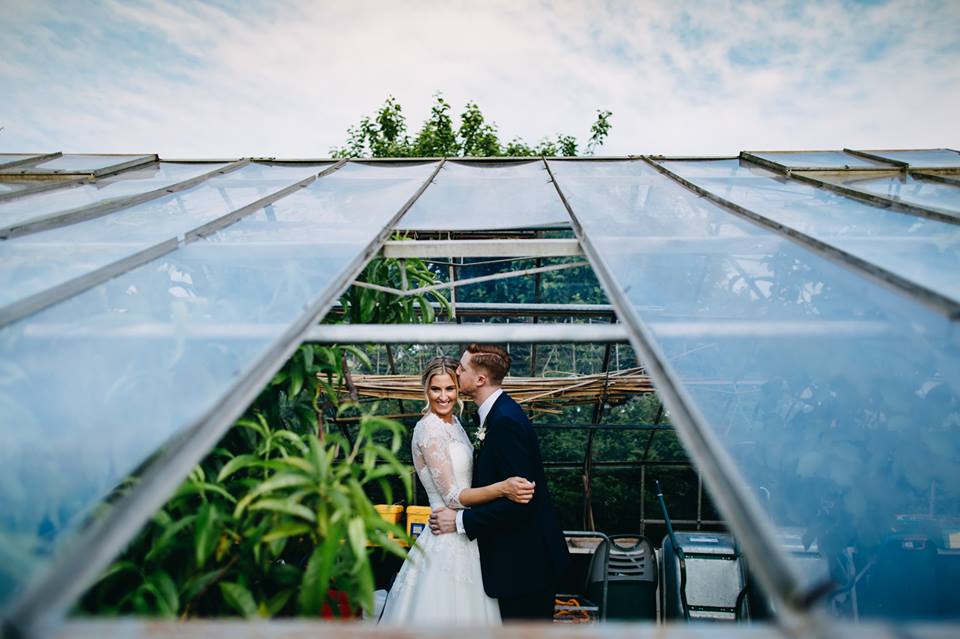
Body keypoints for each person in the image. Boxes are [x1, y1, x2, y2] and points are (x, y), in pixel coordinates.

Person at [379, 355, 535, 625]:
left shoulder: (456, 425)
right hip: (446, 534)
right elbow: (452, 496)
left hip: (469, 534)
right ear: (425, 390)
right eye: (435, 389)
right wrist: (503, 488)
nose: (443, 397)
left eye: (449, 388)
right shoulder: (428, 429)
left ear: (458, 388)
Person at [430, 344, 570, 621]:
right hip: (516, 563)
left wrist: (459, 522)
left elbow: (521, 503)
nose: (456, 372)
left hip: (525, 566)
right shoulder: (496, 416)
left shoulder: (505, 421)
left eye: (462, 368)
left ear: (480, 379)